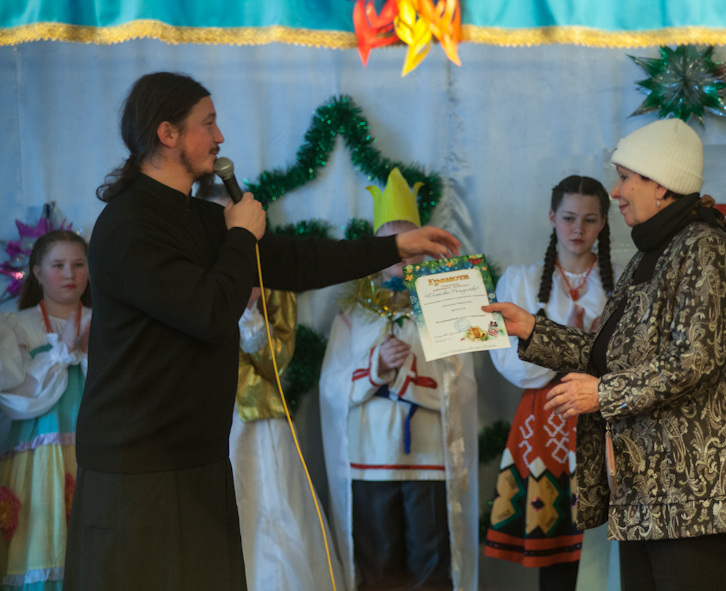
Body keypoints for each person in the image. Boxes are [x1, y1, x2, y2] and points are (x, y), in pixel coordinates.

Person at [63, 72, 460, 591]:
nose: (220, 136)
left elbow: (295, 260)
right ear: (167, 133)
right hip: (136, 465)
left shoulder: (199, 218)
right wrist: (239, 235)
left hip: (196, 455)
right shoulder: (128, 225)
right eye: (208, 123)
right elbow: (209, 310)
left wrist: (394, 248)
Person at [485, 119, 726, 591]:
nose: (616, 191)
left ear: (660, 185)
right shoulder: (653, 251)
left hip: (699, 492)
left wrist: (602, 393)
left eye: (625, 177)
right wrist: (533, 330)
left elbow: (694, 360)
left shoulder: (704, 247)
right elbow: (612, 353)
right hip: (646, 489)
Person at [320, 168, 477, 591]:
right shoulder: (353, 312)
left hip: (430, 465)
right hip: (369, 462)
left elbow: (466, 387)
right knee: (378, 570)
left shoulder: (447, 304)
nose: (402, 258)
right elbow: (331, 387)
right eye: (391, 248)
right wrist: (374, 369)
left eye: (410, 246)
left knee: (431, 569)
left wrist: (408, 380)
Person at [483, 175, 617, 591]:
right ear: (552, 218)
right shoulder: (520, 281)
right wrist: (573, 344)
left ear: (603, 223)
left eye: (590, 219)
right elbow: (507, 361)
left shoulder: (621, 282)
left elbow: (632, 361)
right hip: (544, 422)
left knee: (603, 545)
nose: (578, 229)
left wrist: (562, 344)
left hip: (602, 420)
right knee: (555, 548)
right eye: (569, 218)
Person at [228, 286, 346, 591]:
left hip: (256, 417)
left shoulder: (270, 280)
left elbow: (277, 360)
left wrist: (249, 311)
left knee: (271, 504)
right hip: (202, 417)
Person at [0, 230, 91, 591]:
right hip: (38, 451)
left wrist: (89, 353)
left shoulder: (103, 320)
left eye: (79, 264)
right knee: (41, 537)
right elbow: (13, 397)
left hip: (92, 443)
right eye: (58, 265)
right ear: (37, 272)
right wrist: (61, 353)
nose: (70, 274)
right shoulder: (18, 325)